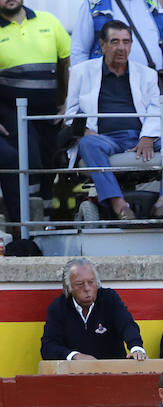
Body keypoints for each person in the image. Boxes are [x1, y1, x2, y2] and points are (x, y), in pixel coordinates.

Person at [66, 20, 163, 222]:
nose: (121, 48)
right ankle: (119, 204)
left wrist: (147, 137)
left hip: (142, 137)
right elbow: (71, 113)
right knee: (88, 143)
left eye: (126, 42)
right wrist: (85, 131)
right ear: (102, 45)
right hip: (104, 139)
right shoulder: (81, 72)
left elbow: (156, 109)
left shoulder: (147, 74)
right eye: (115, 41)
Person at [0, 0, 70, 234]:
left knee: (49, 166)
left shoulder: (48, 21)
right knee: (30, 163)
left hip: (49, 112)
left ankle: (46, 224)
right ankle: (28, 226)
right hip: (11, 112)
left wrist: (68, 103)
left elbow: (66, 62)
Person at [41, 259, 147, 361]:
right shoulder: (58, 307)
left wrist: (136, 348)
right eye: (80, 284)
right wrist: (74, 356)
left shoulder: (109, 299)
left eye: (91, 282)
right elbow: (48, 347)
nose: (87, 288)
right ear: (69, 288)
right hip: (75, 374)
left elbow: (127, 325)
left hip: (112, 371)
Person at [72, 0, 163, 84]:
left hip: (152, 85)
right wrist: (84, 85)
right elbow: (79, 51)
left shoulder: (152, 3)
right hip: (110, 86)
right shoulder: (94, 4)